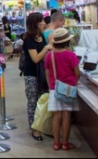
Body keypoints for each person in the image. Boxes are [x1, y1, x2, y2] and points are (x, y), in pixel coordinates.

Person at [44, 28, 80, 151]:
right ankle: (65, 143)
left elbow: (47, 72)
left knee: (56, 115)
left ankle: (56, 143)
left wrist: (51, 87)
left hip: (55, 88)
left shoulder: (50, 55)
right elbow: (77, 73)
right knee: (66, 116)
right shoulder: (71, 55)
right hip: (68, 89)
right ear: (67, 42)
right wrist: (74, 82)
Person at [22, 12, 53, 141]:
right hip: (31, 75)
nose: (44, 23)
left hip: (42, 73)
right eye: (41, 21)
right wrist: (46, 48)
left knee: (42, 100)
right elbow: (35, 59)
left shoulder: (41, 36)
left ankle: (42, 126)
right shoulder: (29, 39)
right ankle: (34, 129)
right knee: (33, 101)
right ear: (35, 23)